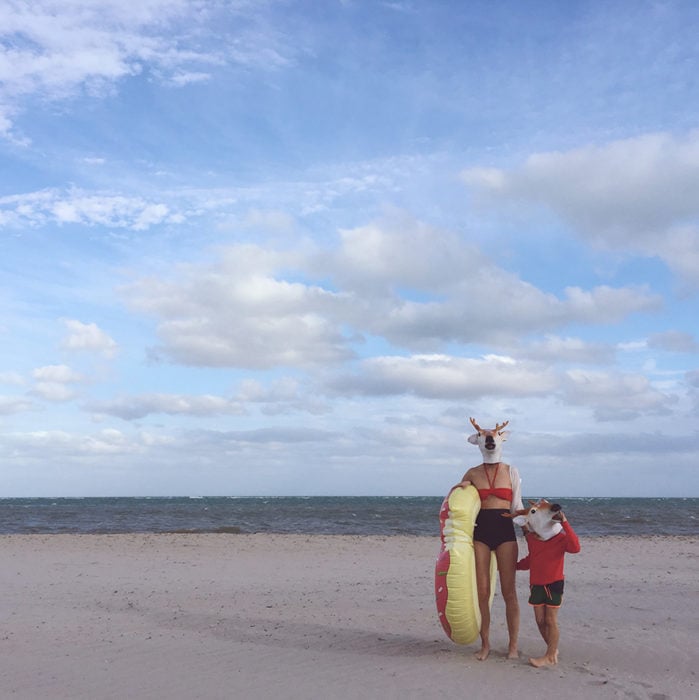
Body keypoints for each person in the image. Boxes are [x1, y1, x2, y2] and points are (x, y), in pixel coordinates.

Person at [457, 418, 524, 661]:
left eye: (492, 436)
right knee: (482, 592)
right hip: (481, 531)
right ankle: (485, 644)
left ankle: (513, 645)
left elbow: (517, 506)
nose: (488, 440)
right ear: (478, 442)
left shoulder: (511, 471)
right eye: (484, 437)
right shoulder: (473, 472)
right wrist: (462, 486)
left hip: (505, 530)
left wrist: (532, 531)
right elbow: (459, 501)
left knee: (509, 592)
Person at [516, 507, 581, 668]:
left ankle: (550, 656)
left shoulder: (560, 538)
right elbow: (531, 560)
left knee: (550, 620)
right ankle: (552, 650)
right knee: (540, 621)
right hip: (536, 584)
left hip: (554, 583)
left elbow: (575, 547)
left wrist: (565, 522)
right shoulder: (533, 539)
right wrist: (512, 566)